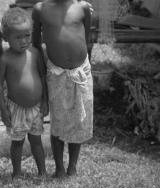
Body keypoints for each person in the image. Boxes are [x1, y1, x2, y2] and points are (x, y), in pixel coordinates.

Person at [32, 0, 94, 178]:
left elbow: (86, 37)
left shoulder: (81, 8)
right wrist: (42, 69)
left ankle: (72, 166)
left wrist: (80, 58)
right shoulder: (40, 9)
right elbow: (36, 43)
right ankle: (59, 167)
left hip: (81, 70)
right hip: (56, 72)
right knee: (58, 120)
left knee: (79, 119)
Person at [0, 7, 48, 178]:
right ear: (6, 38)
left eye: (27, 35)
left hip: (36, 108)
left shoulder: (35, 53)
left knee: (36, 141)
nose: (23, 41)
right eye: (18, 37)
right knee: (17, 143)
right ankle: (17, 173)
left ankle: (42, 171)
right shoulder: (5, 58)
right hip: (16, 109)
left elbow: (42, 77)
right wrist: (3, 109)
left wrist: (45, 101)